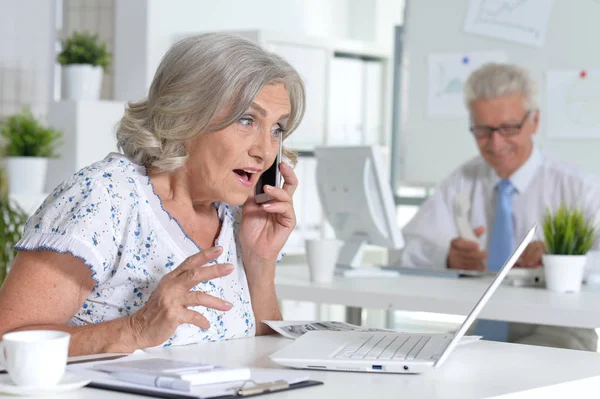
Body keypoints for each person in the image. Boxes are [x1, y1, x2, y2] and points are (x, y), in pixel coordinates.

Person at [0, 33, 305, 356]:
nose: (265, 152)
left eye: (276, 130)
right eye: (247, 120)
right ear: (186, 114)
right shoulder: (104, 198)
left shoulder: (236, 216)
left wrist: (260, 260)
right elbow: (7, 341)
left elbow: (262, 355)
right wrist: (136, 329)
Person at [400, 62, 600, 351]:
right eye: (482, 130)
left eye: (508, 128)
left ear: (534, 121)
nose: (495, 143)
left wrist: (560, 259)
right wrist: (447, 258)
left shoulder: (578, 188)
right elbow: (406, 250)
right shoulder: (462, 180)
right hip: (479, 327)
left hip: (559, 333)